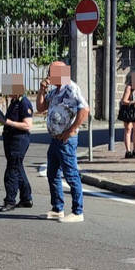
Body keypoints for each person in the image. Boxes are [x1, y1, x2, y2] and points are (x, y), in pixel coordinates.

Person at [36, 61, 89, 223]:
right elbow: (40, 107)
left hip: (66, 140)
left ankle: (77, 211)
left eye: (51, 72)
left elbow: (85, 109)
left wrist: (71, 130)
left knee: (71, 174)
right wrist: (42, 90)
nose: (49, 75)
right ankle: (57, 208)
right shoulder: (56, 91)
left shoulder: (71, 88)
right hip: (55, 139)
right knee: (52, 174)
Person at [0, 91, 34, 212]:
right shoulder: (14, 102)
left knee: (11, 170)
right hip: (11, 138)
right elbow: (11, 120)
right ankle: (26, 198)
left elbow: (28, 125)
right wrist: (1, 120)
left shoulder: (24, 103)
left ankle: (10, 201)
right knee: (17, 168)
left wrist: (8, 122)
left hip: (19, 140)